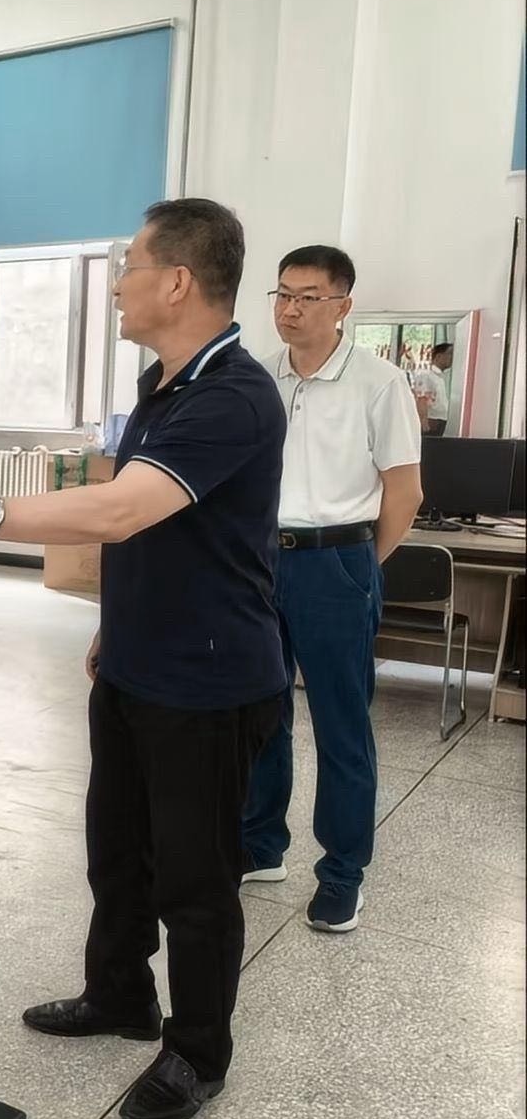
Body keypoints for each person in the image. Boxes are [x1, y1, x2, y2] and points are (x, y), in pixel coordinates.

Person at [0, 199, 286, 1119]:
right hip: (137, 662)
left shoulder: (233, 394)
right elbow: (155, 531)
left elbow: (123, 510)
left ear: (178, 281)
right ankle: (120, 993)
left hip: (208, 683)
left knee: (195, 879)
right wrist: (113, 623)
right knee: (117, 852)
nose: (119, 283)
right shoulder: (164, 383)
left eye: (131, 265)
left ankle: (197, 1051)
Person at [240, 246, 422, 933]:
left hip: (337, 561)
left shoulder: (379, 382)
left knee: (342, 724)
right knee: (261, 712)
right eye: (282, 294)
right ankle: (260, 845)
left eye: (308, 296)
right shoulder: (259, 377)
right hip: (262, 561)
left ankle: (343, 874)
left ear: (343, 306)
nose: (290, 308)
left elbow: (405, 491)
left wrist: (361, 567)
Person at [412, 342, 454, 435]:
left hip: (440, 420)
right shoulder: (426, 375)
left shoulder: (439, 377)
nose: (452, 358)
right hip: (431, 420)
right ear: (438, 356)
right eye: (450, 353)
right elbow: (422, 399)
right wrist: (423, 421)